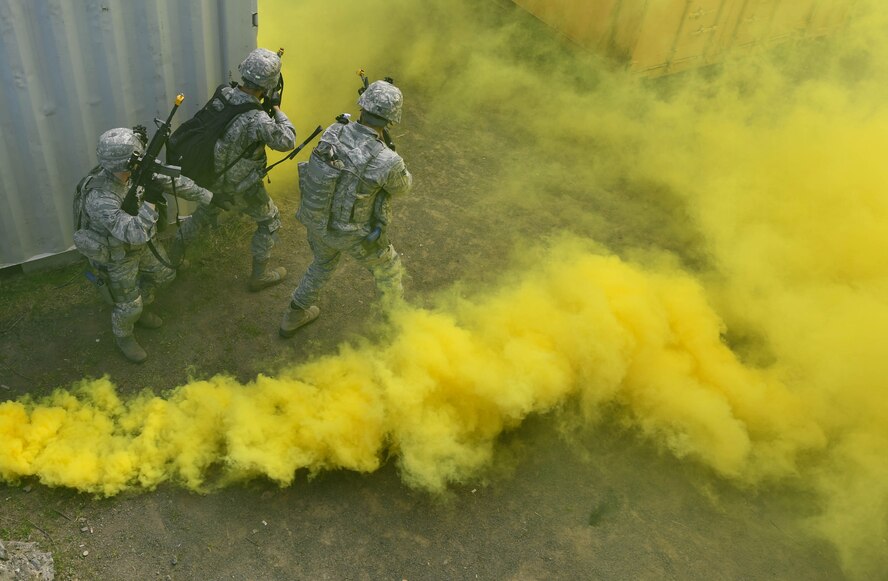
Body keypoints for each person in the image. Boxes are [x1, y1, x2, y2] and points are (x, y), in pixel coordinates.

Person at [280, 79, 413, 338]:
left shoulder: (334, 131)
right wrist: (390, 152)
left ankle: (293, 315)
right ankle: (393, 321)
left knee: (322, 264)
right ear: (392, 119)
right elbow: (402, 187)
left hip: (318, 220)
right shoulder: (388, 160)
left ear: (363, 105)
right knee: (389, 268)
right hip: (356, 235)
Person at [73, 127, 216, 363]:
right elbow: (135, 233)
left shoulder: (134, 171)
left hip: (143, 245)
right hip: (118, 255)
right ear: (123, 164)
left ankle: (142, 305)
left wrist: (208, 197)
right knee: (129, 307)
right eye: (136, 158)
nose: (141, 162)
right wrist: (149, 200)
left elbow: (172, 180)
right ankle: (124, 335)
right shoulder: (100, 198)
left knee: (165, 275)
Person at [168, 48, 296, 291]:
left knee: (202, 216)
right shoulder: (257, 119)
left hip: (210, 177)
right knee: (270, 221)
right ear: (269, 85)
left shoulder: (224, 94)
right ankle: (259, 276)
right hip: (240, 186)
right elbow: (287, 140)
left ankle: (172, 261)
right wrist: (277, 109)